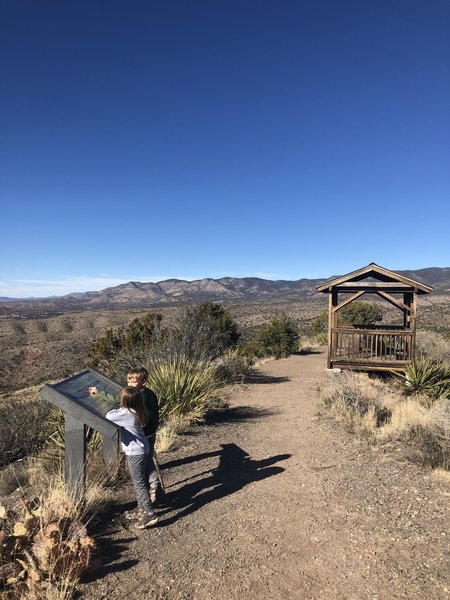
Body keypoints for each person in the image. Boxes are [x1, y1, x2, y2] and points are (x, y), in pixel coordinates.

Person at [105, 386, 158, 530]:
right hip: (143, 450)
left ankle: (149, 513)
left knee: (139, 483)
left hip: (135, 453)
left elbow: (109, 415)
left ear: (124, 401)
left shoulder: (126, 414)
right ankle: (141, 508)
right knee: (142, 480)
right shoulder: (137, 411)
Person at [126, 367, 161, 502]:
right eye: (129, 381)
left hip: (143, 434)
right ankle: (155, 484)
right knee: (149, 459)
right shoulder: (149, 393)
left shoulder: (138, 397)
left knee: (142, 464)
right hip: (151, 432)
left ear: (144, 382)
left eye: (133, 382)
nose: (130, 384)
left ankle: (147, 497)